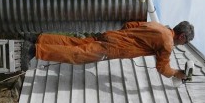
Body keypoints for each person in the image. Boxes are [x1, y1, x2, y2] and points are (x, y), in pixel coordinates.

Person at [22, 21, 194, 80]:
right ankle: (34, 50)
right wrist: (178, 73)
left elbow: (131, 25)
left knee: (75, 43)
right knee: (78, 55)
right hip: (114, 48)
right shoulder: (167, 43)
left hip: (112, 36)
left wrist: (122, 35)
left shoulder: (159, 26)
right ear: (182, 37)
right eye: (184, 42)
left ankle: (39, 38)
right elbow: (162, 68)